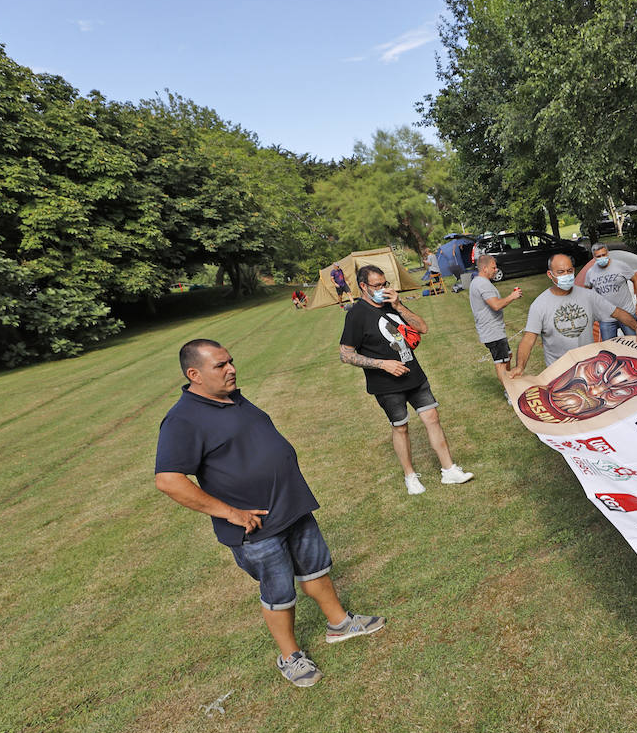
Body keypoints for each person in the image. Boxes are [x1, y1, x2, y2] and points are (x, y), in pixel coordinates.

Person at [154, 339, 385, 688]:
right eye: (220, 365)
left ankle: (339, 623)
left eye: (231, 361)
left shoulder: (231, 398)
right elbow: (169, 480)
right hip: (256, 527)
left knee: (316, 569)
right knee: (278, 592)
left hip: (291, 506)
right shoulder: (182, 419)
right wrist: (230, 512)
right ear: (194, 374)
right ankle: (290, 657)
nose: (232, 369)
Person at [339, 264, 473, 495]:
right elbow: (346, 354)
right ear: (363, 286)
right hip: (386, 384)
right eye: (377, 286)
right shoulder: (356, 314)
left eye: (385, 284)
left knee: (432, 417)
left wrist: (398, 305)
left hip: (414, 375)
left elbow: (423, 328)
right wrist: (383, 364)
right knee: (400, 428)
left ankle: (449, 470)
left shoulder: (392, 305)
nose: (382, 289)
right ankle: (410, 476)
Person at [511, 254, 637, 376]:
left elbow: (617, 312)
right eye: (560, 272)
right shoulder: (539, 305)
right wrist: (520, 366)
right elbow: (529, 339)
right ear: (550, 274)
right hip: (560, 371)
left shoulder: (588, 296)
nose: (566, 275)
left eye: (569, 271)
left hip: (589, 367)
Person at [468, 252, 522, 389]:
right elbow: (496, 305)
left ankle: (510, 386)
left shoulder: (479, 282)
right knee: (501, 363)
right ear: (484, 268)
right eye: (493, 267)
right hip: (492, 331)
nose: (496, 269)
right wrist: (512, 296)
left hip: (495, 330)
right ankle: (510, 392)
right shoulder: (482, 284)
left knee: (507, 356)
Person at [581, 243, 637, 339]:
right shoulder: (590, 273)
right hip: (606, 318)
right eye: (598, 256)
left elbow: (636, 280)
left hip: (627, 314)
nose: (602, 258)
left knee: (636, 343)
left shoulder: (621, 266)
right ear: (594, 257)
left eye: (603, 255)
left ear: (607, 253)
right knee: (610, 349)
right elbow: (587, 293)